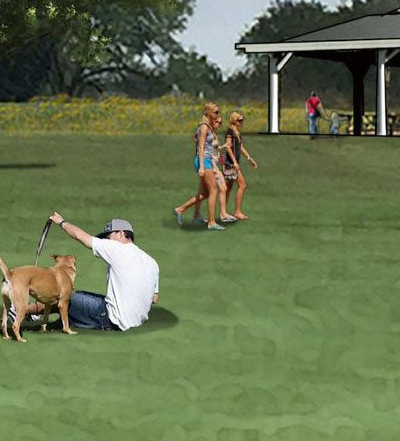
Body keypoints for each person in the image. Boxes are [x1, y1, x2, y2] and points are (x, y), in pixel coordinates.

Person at [35, 214, 160, 331]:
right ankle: (59, 320)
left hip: (111, 319)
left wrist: (61, 222)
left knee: (64, 294)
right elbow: (154, 299)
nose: (107, 240)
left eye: (108, 236)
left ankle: (24, 310)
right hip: (136, 323)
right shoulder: (152, 262)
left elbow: (80, 236)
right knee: (81, 296)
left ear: (121, 233)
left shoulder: (116, 248)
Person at [173, 102, 227, 231]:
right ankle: (211, 222)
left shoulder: (206, 127)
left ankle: (180, 209)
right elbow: (201, 146)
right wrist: (202, 166)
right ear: (208, 113)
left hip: (206, 160)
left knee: (204, 193)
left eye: (218, 112)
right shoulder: (204, 127)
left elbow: (196, 139)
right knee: (213, 191)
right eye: (215, 112)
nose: (217, 115)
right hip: (204, 161)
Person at [222, 110, 260, 221]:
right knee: (242, 185)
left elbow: (240, 147)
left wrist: (250, 159)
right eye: (239, 120)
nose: (241, 122)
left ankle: (223, 212)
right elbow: (228, 147)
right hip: (230, 163)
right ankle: (237, 212)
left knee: (228, 188)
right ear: (234, 121)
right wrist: (234, 162)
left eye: (242, 120)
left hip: (234, 163)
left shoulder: (237, 132)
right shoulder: (230, 131)